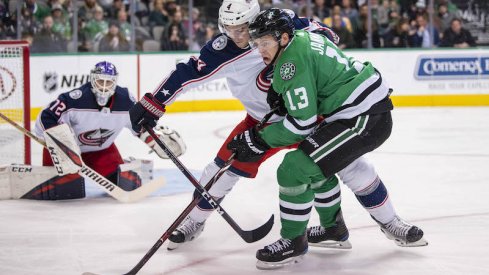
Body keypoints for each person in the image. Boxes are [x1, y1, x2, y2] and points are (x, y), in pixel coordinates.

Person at [129, 0, 347, 251]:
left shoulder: (276, 26)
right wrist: (152, 104)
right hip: (260, 123)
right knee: (218, 171)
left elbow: (327, 35)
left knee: (346, 165)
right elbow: (186, 74)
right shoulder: (223, 50)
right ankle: (195, 221)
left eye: (242, 28)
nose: (236, 36)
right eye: (230, 29)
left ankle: (383, 222)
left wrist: (321, 38)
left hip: (302, 115)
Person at [227, 8, 427, 269]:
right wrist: (282, 93)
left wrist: (258, 139)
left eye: (265, 42)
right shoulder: (306, 38)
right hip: (363, 109)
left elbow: (300, 125)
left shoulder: (289, 64)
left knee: (293, 169)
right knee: (324, 166)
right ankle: (336, 230)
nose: (260, 49)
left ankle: (293, 242)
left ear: (284, 38)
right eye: (256, 43)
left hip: (362, 117)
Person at [32, 61, 186, 200]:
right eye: (100, 81)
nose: (104, 86)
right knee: (60, 191)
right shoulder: (74, 99)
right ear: (92, 80)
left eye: (108, 82)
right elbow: (45, 118)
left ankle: (131, 164)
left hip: (101, 150)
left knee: (124, 182)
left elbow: (138, 126)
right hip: (66, 153)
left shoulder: (125, 100)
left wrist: (156, 141)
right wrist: (61, 145)